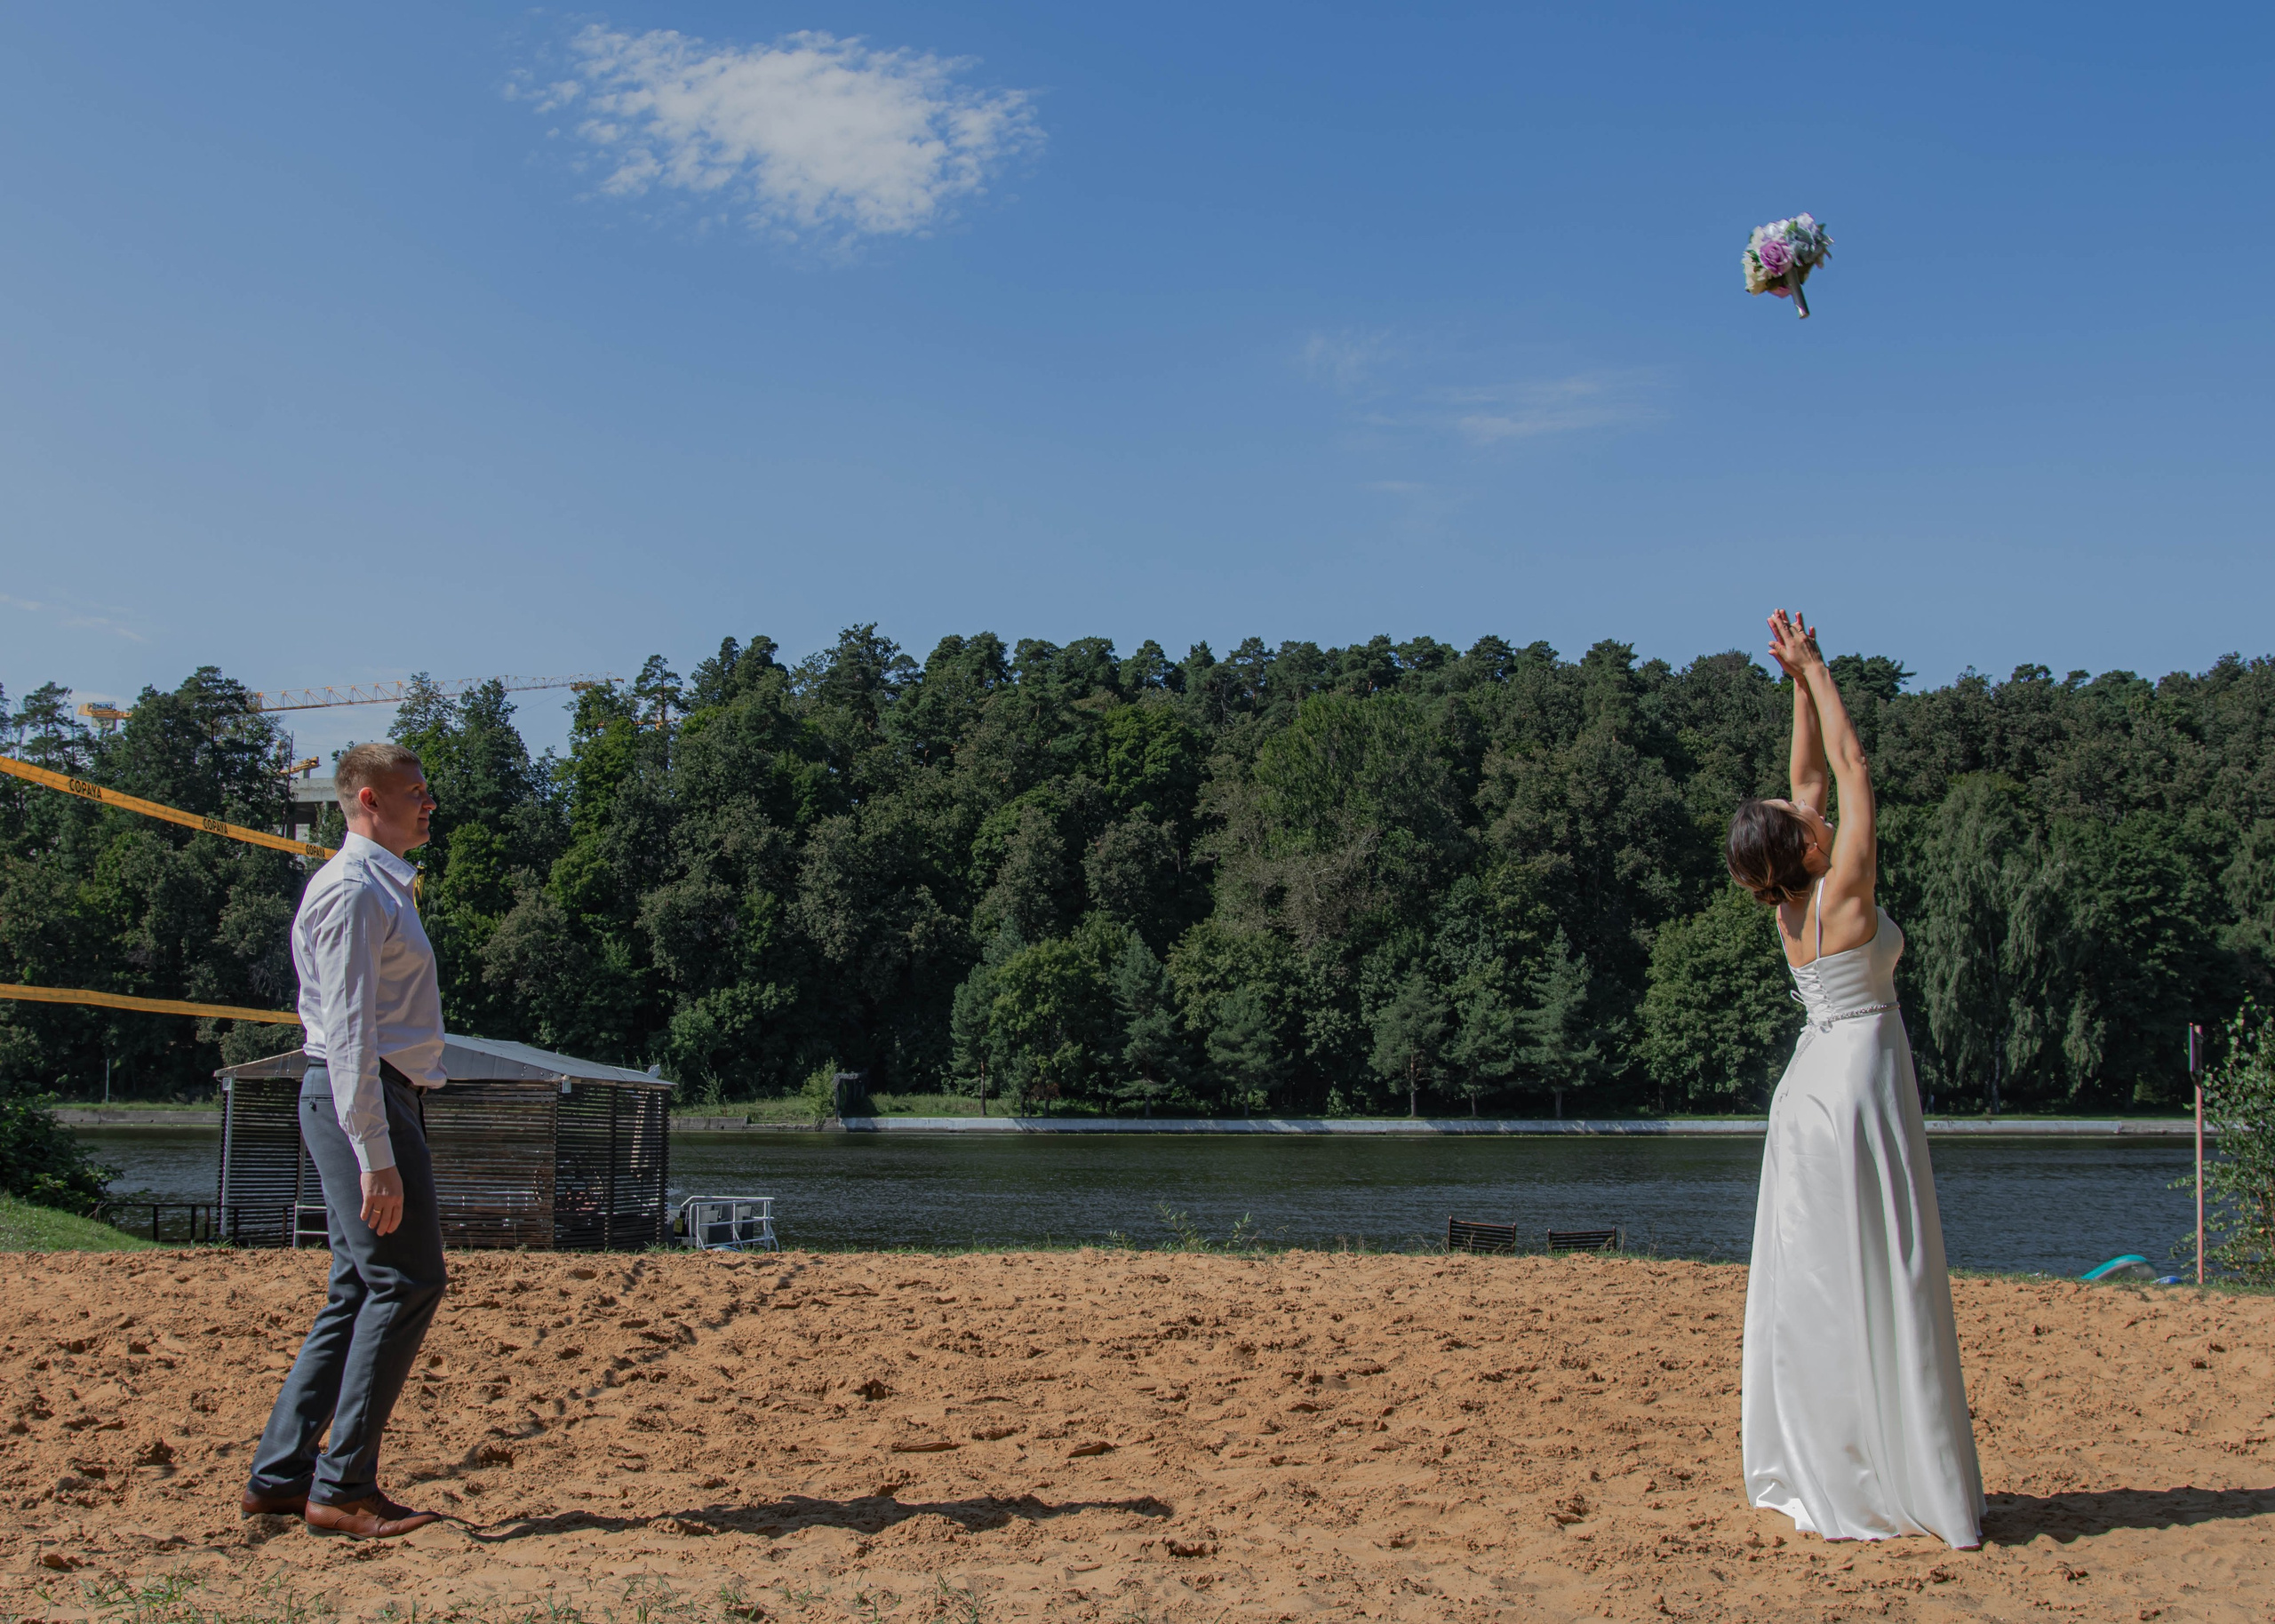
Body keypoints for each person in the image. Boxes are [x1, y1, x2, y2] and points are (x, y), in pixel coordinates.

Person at [1726, 609, 1984, 1549]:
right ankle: (1890, 1466)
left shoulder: (1790, 903)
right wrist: (1822, 669)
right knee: (1884, 1262)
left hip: (1810, 1089)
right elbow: (1851, 773)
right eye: (1803, 823)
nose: (1811, 811)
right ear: (1800, 848)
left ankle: (1838, 1452)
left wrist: (1793, 684)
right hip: (1860, 1082)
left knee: (1834, 1273)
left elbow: (1808, 779)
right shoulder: (1845, 888)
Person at [240, 741, 451, 1539]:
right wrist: (378, 1157)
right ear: (368, 799)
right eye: (414, 792)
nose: (428, 803)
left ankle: (281, 1477)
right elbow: (354, 1034)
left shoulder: (379, 886)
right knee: (407, 1282)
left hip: (365, 1097)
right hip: (361, 1098)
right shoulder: (357, 891)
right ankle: (342, 1487)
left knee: (359, 1287)